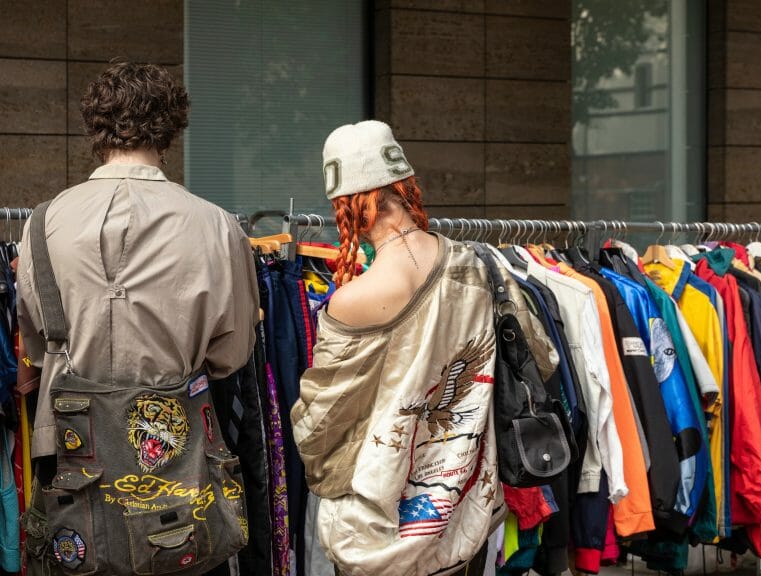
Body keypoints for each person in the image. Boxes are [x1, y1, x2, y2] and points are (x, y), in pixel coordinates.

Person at [17, 62, 259, 574]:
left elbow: (39, 349)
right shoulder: (217, 226)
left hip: (69, 456)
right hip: (178, 461)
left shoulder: (43, 222)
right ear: (170, 129)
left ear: (95, 129)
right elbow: (229, 356)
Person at [291, 120, 557, 576]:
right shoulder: (481, 266)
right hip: (465, 510)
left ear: (351, 205)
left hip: (377, 529)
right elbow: (543, 358)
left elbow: (320, 423)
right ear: (405, 186)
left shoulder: (353, 299)